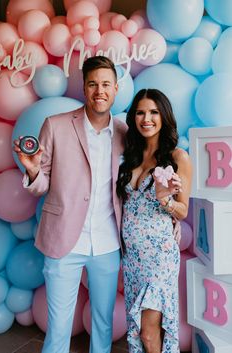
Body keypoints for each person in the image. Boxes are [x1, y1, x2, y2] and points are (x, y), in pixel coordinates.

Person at [13, 56, 127, 353]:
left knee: (103, 324)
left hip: (108, 242)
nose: (99, 90)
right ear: (84, 89)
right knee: (59, 326)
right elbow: (41, 186)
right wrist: (33, 169)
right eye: (92, 84)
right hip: (64, 239)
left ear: (115, 88)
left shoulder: (127, 133)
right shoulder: (56, 125)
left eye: (105, 84)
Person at [116, 88, 192, 353]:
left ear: (164, 116)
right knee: (137, 328)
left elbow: (182, 210)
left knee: (149, 333)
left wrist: (164, 199)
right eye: (140, 112)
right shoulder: (130, 156)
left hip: (159, 257)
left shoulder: (177, 157)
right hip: (133, 258)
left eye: (153, 112)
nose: (146, 118)